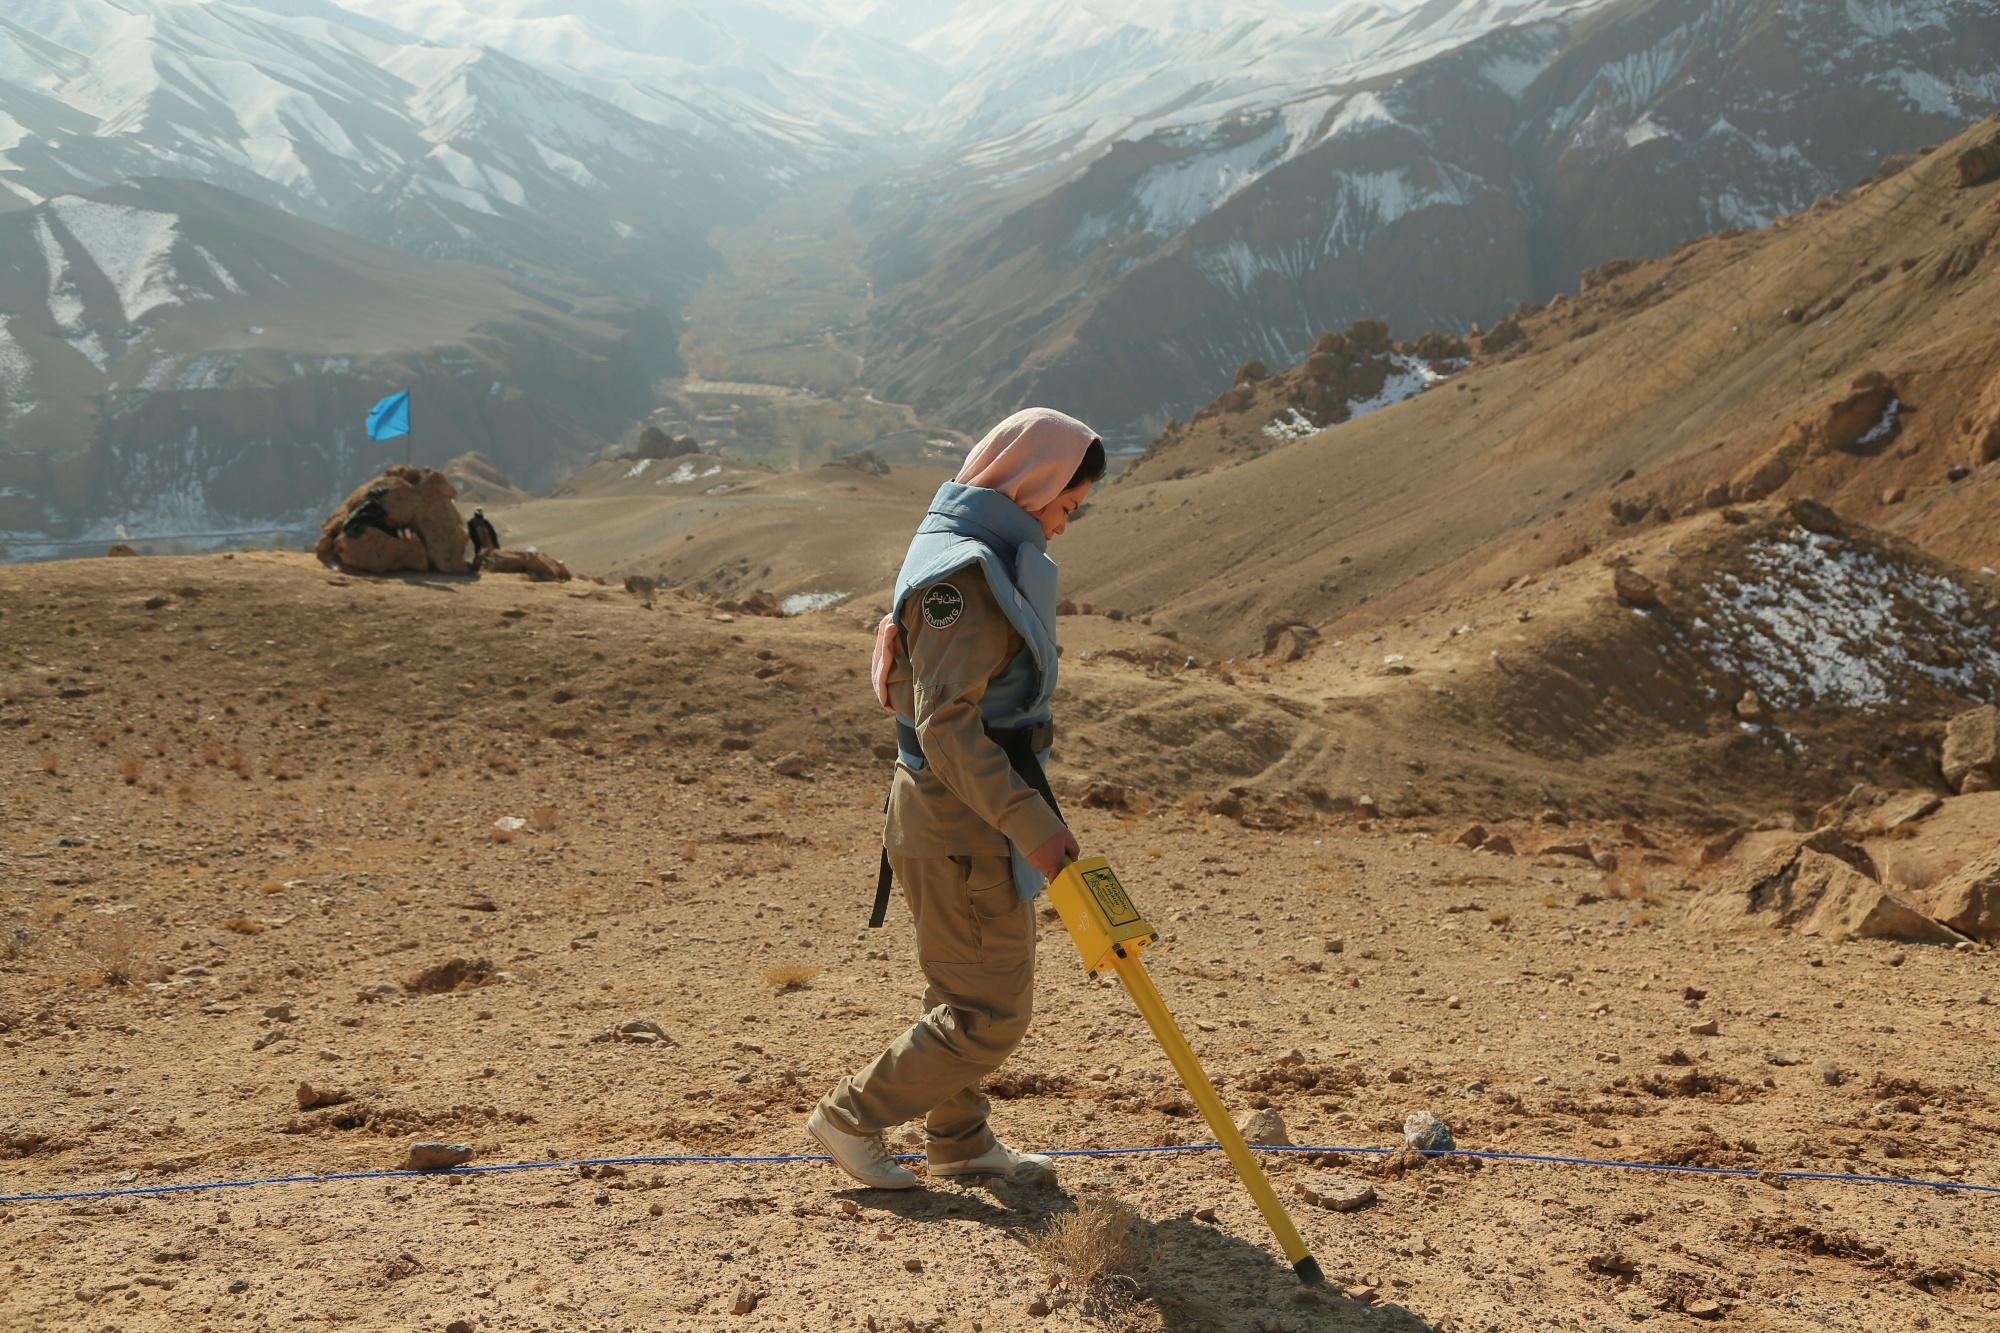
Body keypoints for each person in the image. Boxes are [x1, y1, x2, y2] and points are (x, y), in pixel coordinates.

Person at [808, 407, 1106, 1190]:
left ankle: (961, 1140)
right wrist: (1033, 823)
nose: (1064, 527)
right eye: (1064, 507)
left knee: (963, 988)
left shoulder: (972, 548)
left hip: (954, 812)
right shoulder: (965, 575)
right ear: (1032, 483)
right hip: (958, 816)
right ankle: (850, 1114)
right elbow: (948, 729)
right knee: (991, 1011)